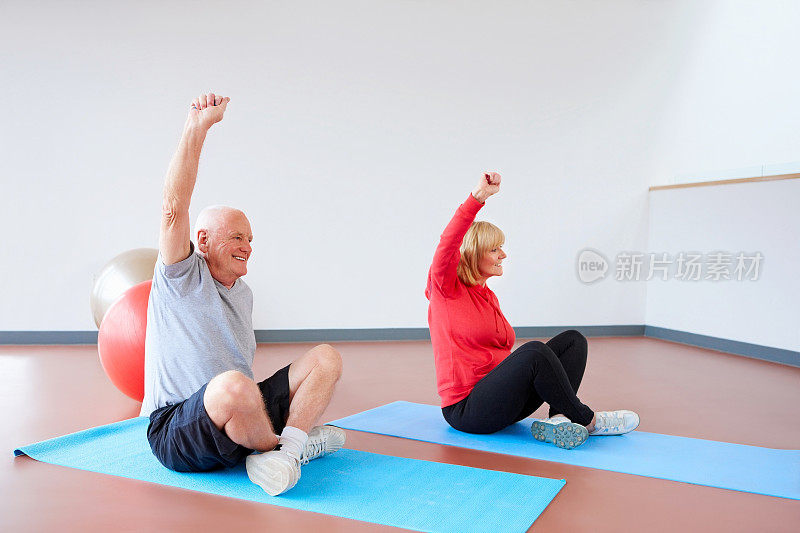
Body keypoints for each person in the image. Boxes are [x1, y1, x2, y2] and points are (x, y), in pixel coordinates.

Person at [140, 93, 345, 496]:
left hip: (240, 414)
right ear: (202, 240)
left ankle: (287, 450)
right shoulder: (181, 275)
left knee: (326, 357)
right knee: (233, 385)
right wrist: (197, 128)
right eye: (236, 236)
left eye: (250, 239)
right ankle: (281, 448)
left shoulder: (243, 293)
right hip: (178, 428)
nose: (247, 246)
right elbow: (172, 206)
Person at [425, 172, 640, 449]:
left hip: (504, 405)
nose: (503, 254)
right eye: (494, 249)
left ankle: (559, 420)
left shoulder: (487, 296)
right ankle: (588, 420)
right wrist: (478, 197)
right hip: (467, 411)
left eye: (502, 247)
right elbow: (448, 243)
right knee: (534, 351)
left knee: (573, 341)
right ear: (473, 253)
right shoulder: (446, 289)